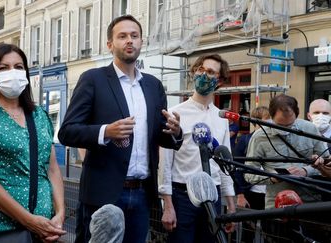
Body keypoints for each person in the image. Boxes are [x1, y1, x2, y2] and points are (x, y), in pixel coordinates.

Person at [58, 15, 183, 243]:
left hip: (142, 194)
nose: (129, 41)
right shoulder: (93, 79)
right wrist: (105, 131)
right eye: (122, 36)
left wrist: (175, 132)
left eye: (134, 36)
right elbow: (67, 131)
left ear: (141, 42)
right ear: (110, 44)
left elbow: (160, 136)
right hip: (103, 194)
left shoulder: (154, 86)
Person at [0, 43, 66, 242]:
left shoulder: (39, 115)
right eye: (3, 68)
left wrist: (59, 215)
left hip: (43, 229)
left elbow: (51, 169)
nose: (12, 73)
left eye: (18, 67)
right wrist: (28, 220)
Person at [159, 53, 236, 243]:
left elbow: (224, 165)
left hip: (214, 195)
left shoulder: (222, 119)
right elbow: (165, 163)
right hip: (183, 195)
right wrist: (167, 205)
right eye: (200, 69)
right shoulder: (176, 114)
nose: (203, 75)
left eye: (210, 72)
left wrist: (231, 204)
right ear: (194, 72)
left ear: (219, 81)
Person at [245, 94, 328, 208]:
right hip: (276, 205)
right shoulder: (259, 136)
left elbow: (327, 165)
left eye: (290, 125)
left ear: (297, 114)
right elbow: (249, 174)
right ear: (271, 116)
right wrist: (272, 178)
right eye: (279, 125)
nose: (285, 129)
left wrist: (306, 171)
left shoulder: (310, 129)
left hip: (310, 201)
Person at [233, 106, 269, 210]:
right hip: (252, 192)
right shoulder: (244, 140)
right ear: (256, 122)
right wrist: (240, 195)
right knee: (249, 224)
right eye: (267, 120)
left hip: (271, 193)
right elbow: (236, 169)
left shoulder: (275, 141)